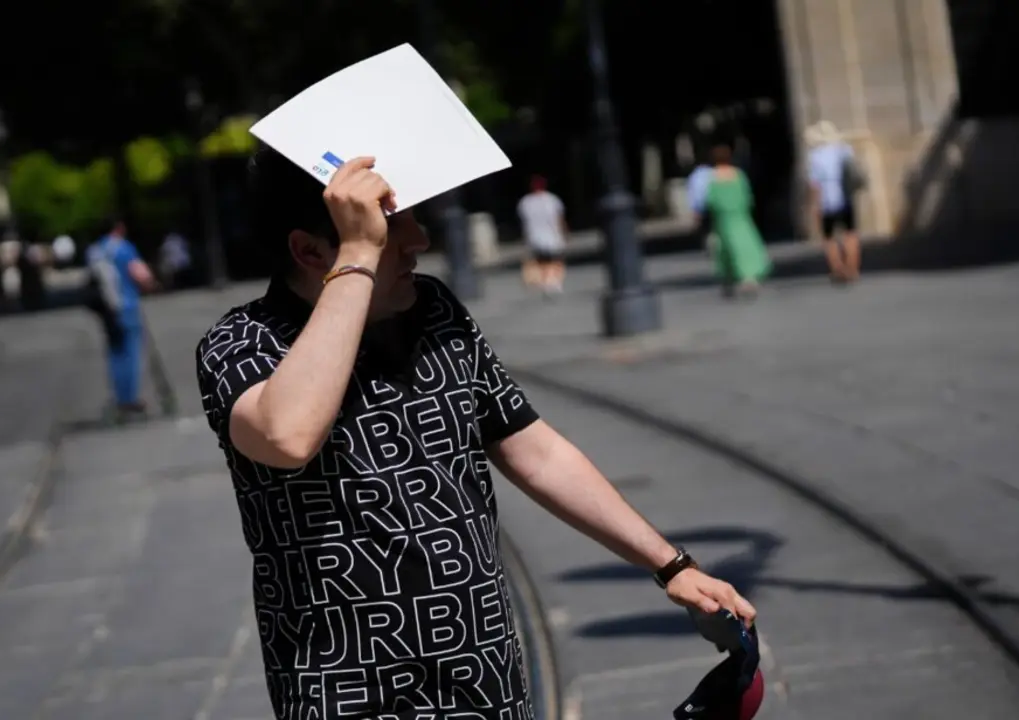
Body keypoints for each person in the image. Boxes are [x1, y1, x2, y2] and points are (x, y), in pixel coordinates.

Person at [195, 149, 757, 719]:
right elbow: (288, 436)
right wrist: (361, 255)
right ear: (310, 250)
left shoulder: (434, 310)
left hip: (484, 678)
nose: (419, 240)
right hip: (345, 691)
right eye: (393, 226)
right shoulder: (242, 343)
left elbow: (534, 451)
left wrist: (672, 566)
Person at [87, 219, 156, 416]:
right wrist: (151, 285)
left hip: (108, 309)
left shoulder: (95, 251)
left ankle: (120, 397)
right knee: (131, 352)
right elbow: (140, 274)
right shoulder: (123, 248)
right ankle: (131, 398)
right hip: (127, 305)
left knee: (115, 353)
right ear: (118, 228)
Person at [705, 142, 771, 297]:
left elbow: (711, 200)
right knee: (746, 245)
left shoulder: (713, 178)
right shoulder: (738, 175)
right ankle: (749, 276)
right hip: (741, 216)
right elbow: (747, 196)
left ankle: (729, 277)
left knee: (726, 248)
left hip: (723, 219)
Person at [806, 120, 863, 283]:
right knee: (850, 234)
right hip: (846, 197)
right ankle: (852, 268)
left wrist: (813, 205)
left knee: (829, 237)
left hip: (826, 201)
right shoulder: (844, 150)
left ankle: (837, 269)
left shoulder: (815, 156)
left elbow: (814, 184)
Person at [516, 175, 568, 296]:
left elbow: (523, 222)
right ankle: (554, 282)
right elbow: (559, 218)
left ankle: (545, 281)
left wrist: (525, 238)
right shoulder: (552, 199)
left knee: (541, 261)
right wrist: (565, 232)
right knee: (555, 260)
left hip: (535, 237)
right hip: (552, 235)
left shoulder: (525, 202)